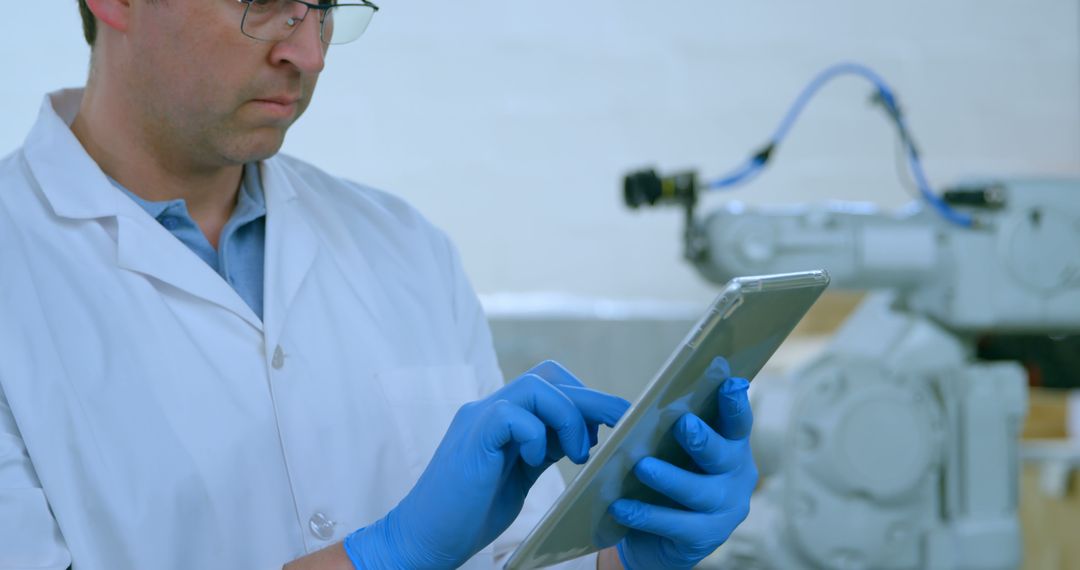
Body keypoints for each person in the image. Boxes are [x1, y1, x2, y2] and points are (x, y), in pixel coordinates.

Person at [0, 0, 758, 568]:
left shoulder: (403, 246)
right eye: (266, 2)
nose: (310, 52)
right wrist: (384, 556)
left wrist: (623, 554)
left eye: (325, 8)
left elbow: (514, 557)